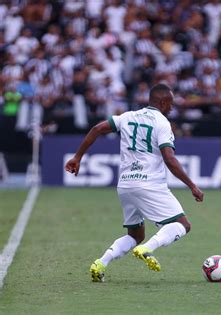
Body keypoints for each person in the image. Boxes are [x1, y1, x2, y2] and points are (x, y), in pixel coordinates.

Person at [65, 84, 204, 282]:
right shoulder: (162, 123)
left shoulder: (127, 116)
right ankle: (148, 248)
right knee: (183, 224)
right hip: (149, 184)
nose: (172, 109)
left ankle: (101, 262)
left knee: (135, 234)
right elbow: (169, 159)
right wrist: (192, 186)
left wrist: (77, 157)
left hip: (126, 185)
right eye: (171, 104)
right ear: (163, 102)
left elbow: (97, 128)